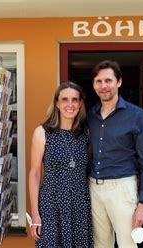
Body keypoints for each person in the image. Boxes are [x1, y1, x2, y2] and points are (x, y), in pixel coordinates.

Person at [87, 60, 143, 247]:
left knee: (128, 244)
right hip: (94, 188)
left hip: (123, 189)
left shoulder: (137, 115)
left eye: (108, 80)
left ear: (119, 82)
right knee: (101, 245)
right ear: (93, 85)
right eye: (98, 81)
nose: (104, 86)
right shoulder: (90, 115)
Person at [28, 82, 93, 247]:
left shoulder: (86, 133)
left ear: (80, 104)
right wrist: (35, 215)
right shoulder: (42, 133)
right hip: (51, 203)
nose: (69, 105)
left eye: (74, 100)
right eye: (65, 99)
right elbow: (35, 173)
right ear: (57, 103)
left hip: (79, 203)